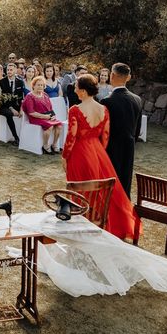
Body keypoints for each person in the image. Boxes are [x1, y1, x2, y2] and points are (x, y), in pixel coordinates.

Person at [61, 74, 140, 240]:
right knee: (100, 190)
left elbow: (71, 137)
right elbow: (105, 135)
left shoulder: (75, 110)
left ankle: (82, 222)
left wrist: (65, 156)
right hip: (98, 152)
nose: (74, 89)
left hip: (79, 153)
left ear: (82, 91)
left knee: (80, 188)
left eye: (76, 87)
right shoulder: (103, 109)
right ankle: (99, 220)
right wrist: (99, 153)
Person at [100, 63, 143, 198]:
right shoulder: (137, 99)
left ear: (112, 76)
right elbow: (138, 128)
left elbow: (103, 129)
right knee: (125, 181)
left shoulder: (107, 101)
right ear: (128, 77)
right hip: (129, 145)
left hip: (111, 147)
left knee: (110, 180)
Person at [22, 76, 64, 154]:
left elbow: (50, 108)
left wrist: (53, 116)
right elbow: (31, 113)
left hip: (46, 116)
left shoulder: (45, 95)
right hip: (35, 118)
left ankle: (54, 144)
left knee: (59, 125)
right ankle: (45, 146)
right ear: (33, 85)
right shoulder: (30, 96)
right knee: (50, 126)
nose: (40, 86)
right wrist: (45, 117)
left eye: (42, 85)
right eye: (38, 85)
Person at [0, 63, 24, 145]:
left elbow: (21, 98)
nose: (9, 71)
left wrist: (21, 109)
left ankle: (25, 138)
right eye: (8, 70)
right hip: (4, 106)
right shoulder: (1, 82)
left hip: (16, 106)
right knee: (9, 114)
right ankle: (16, 137)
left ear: (15, 70)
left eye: (11, 70)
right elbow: (1, 98)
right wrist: (11, 109)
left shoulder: (20, 82)